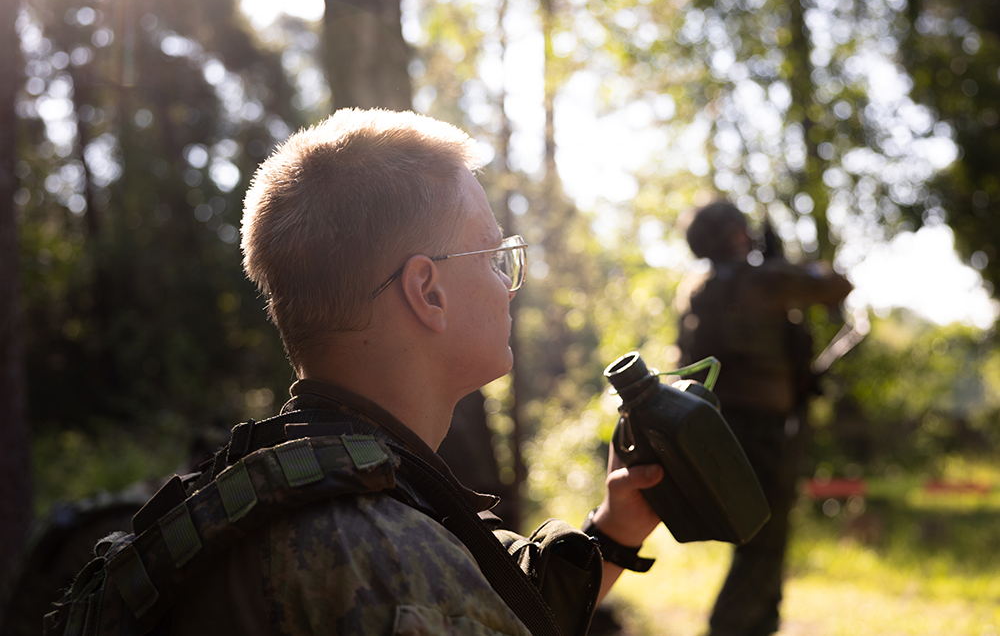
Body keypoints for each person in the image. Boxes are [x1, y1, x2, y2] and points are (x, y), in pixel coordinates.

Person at [162, 108, 664, 635]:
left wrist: (616, 528)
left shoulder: (270, 488)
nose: (507, 285)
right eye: (492, 255)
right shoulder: (397, 566)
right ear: (427, 291)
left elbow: (507, 602)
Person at [675, 200, 852, 636]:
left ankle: (759, 625)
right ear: (733, 234)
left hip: (721, 426)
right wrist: (785, 262)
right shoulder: (766, 279)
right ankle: (729, 627)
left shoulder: (697, 290)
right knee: (764, 540)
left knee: (762, 535)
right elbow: (837, 285)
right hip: (768, 428)